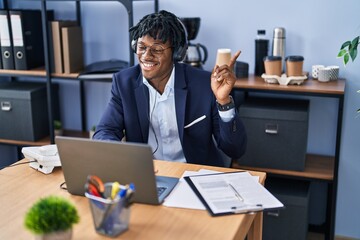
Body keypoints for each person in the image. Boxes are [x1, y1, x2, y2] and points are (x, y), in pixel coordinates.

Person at [93, 10, 246, 167]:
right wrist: (119, 154)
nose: (146, 56)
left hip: (195, 175)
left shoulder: (204, 84)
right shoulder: (124, 83)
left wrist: (223, 101)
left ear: (177, 53)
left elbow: (235, 150)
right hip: (149, 176)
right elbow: (105, 132)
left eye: (157, 49)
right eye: (141, 47)